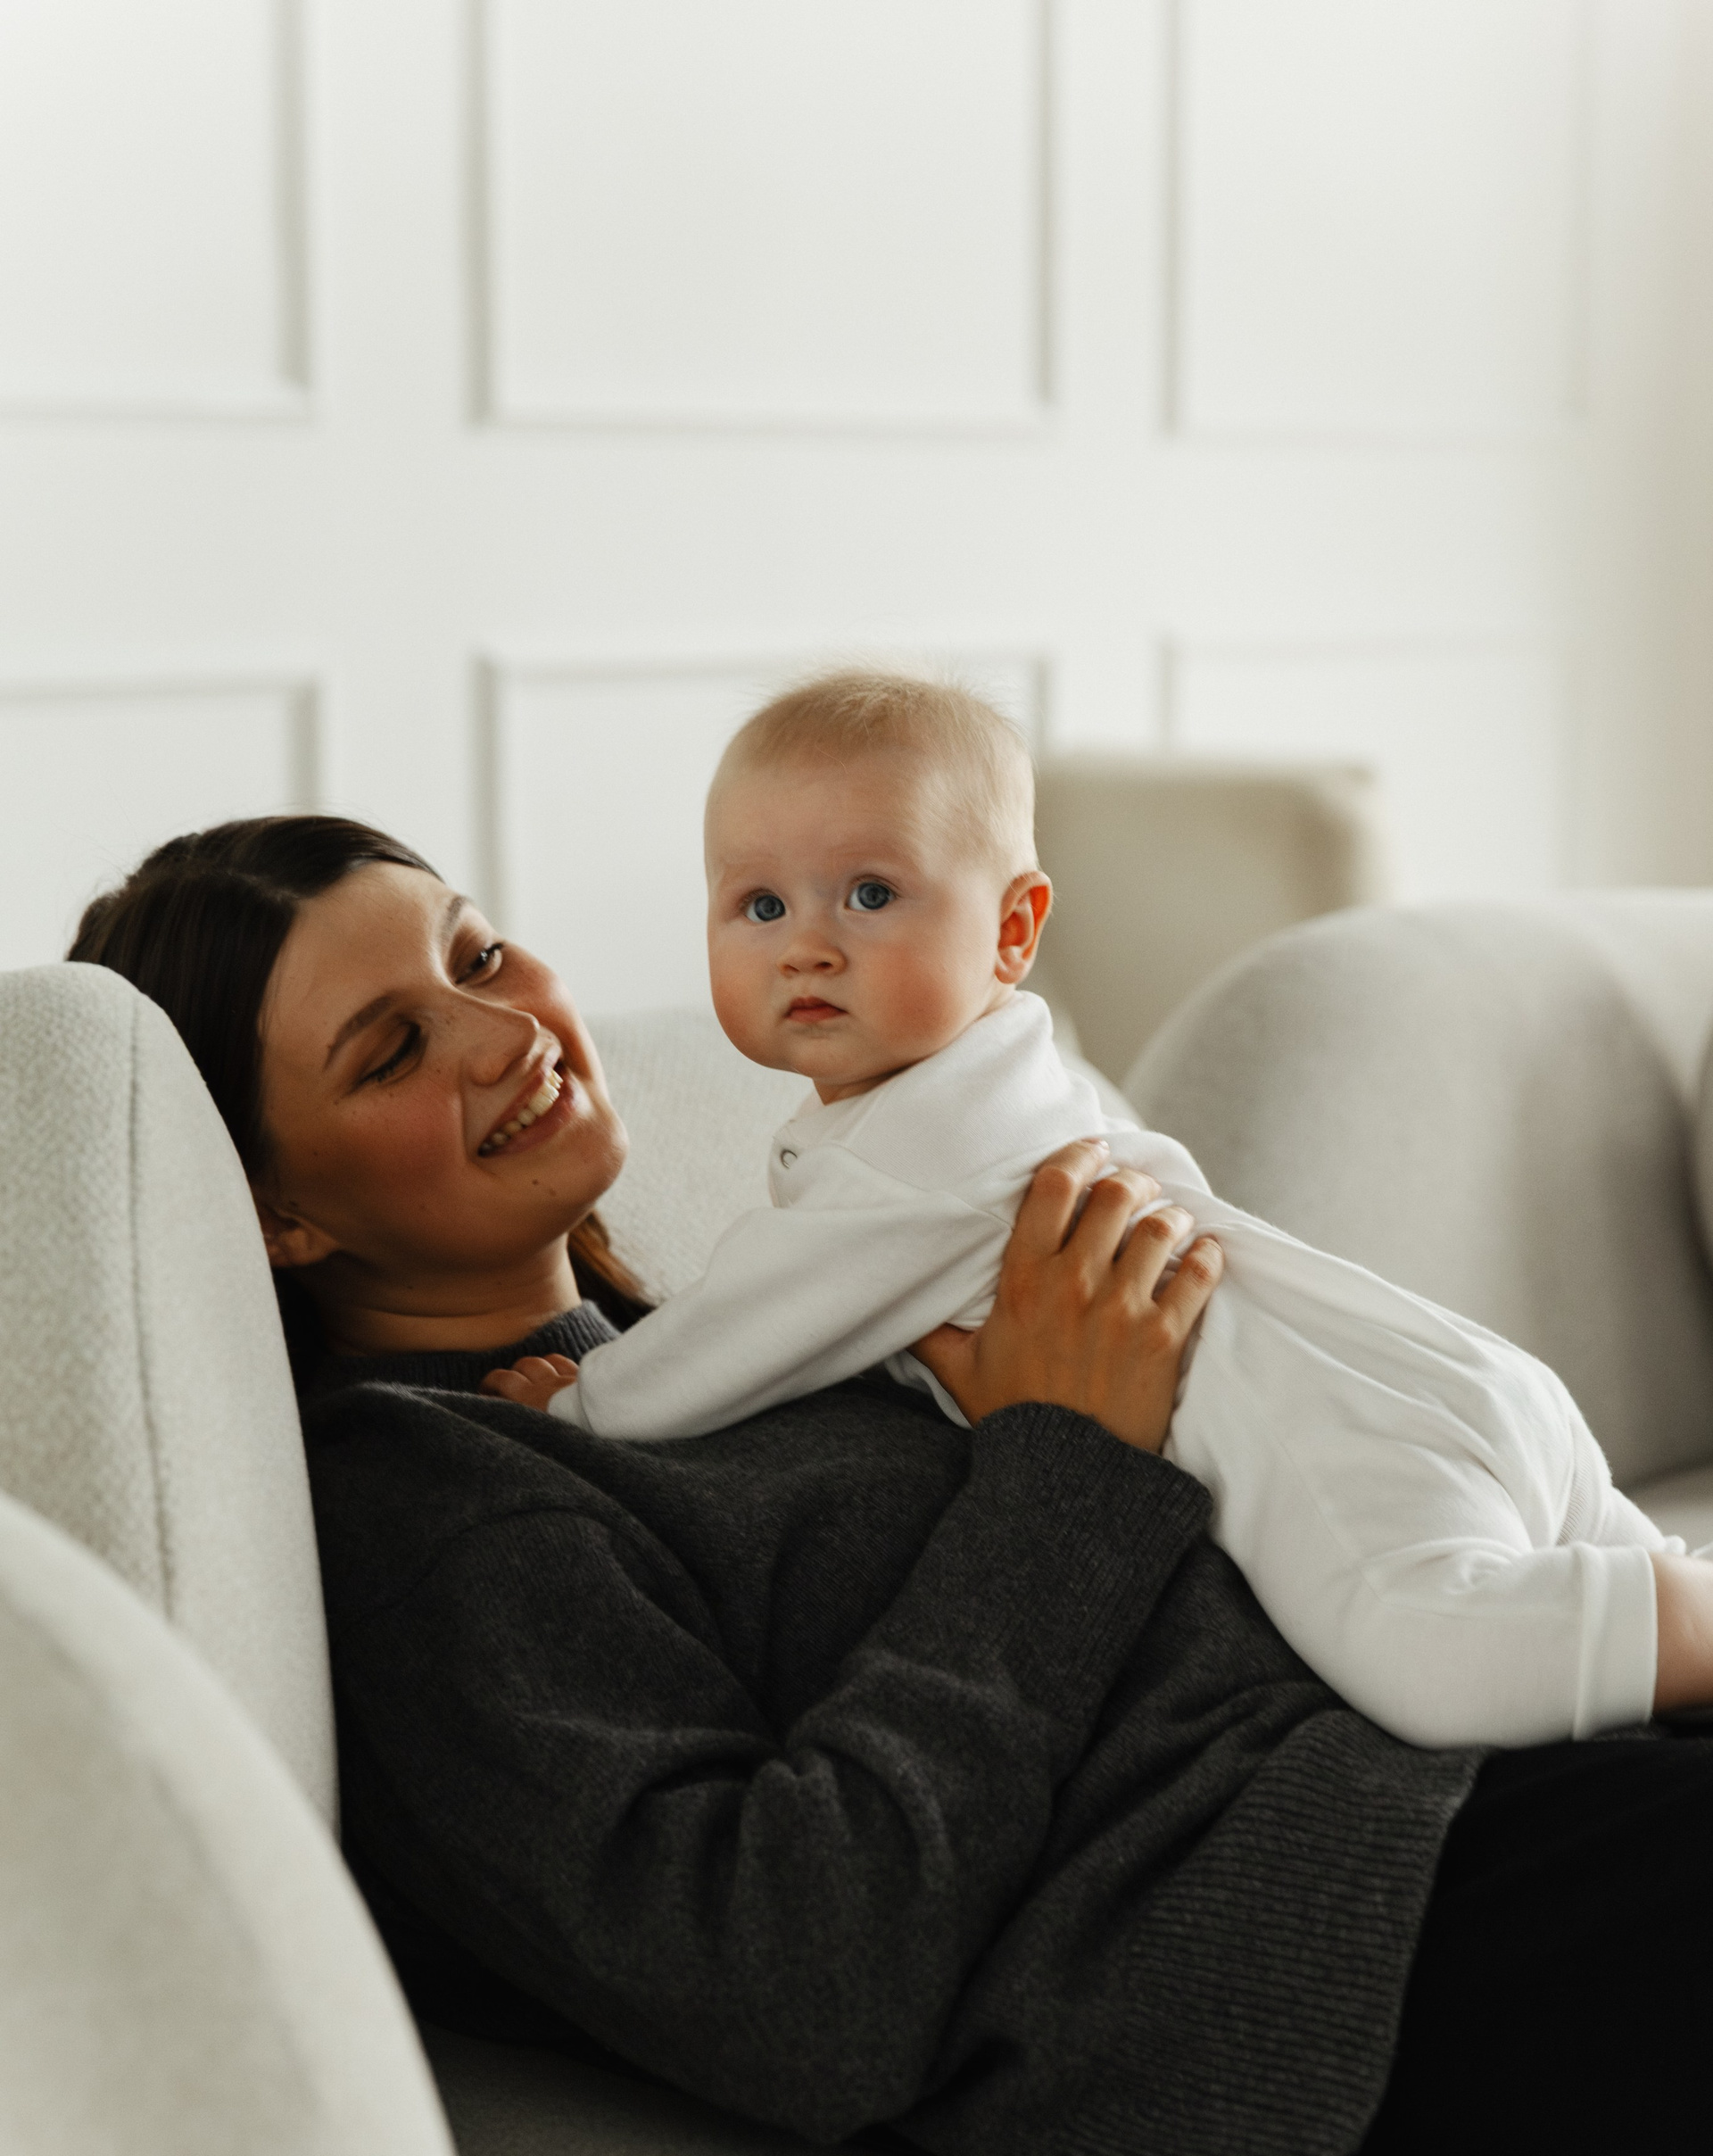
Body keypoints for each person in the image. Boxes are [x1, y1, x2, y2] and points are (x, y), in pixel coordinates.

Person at [68, 814, 1713, 2156]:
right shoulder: (419, 1511)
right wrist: (1068, 1457)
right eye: (390, 1051)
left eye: (479, 955)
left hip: (1437, 1745)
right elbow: (791, 1993)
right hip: (1317, 1922)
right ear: (276, 1210)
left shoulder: (717, 1343)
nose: (503, 1034)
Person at [490, 670, 1709, 1752]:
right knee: (1620, 1618)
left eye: (869, 893)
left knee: (1434, 1659)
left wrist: (592, 1404)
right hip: (1443, 1378)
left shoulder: (919, 1152)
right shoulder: (1012, 1087)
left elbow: (748, 1323)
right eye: (760, 906)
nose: (807, 946)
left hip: (1333, 1437)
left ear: (1014, 929)